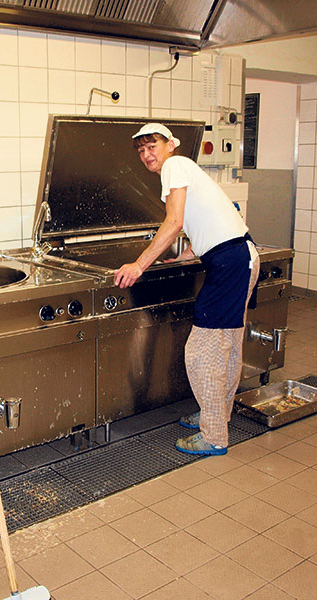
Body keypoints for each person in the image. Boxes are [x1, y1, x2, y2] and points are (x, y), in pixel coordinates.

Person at [115, 123, 260, 456]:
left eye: (153, 146)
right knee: (227, 347)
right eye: (141, 150)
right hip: (240, 256)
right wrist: (188, 253)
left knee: (202, 352)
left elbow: (175, 221)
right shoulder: (187, 169)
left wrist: (139, 265)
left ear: (170, 146)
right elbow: (206, 219)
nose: (147, 154)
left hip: (229, 263)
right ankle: (216, 416)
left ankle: (214, 435)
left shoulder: (175, 166)